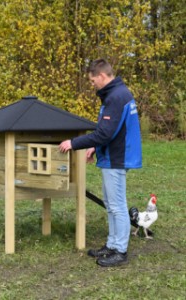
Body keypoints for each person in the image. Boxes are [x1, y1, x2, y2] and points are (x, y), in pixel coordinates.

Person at [59, 59, 142, 267]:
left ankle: (120, 251)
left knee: (117, 205)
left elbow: (105, 133)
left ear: (102, 76)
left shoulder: (116, 97)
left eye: (92, 79)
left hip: (116, 157)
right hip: (111, 155)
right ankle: (112, 244)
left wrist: (74, 143)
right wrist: (95, 147)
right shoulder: (116, 94)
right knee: (111, 204)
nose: (92, 83)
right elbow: (113, 130)